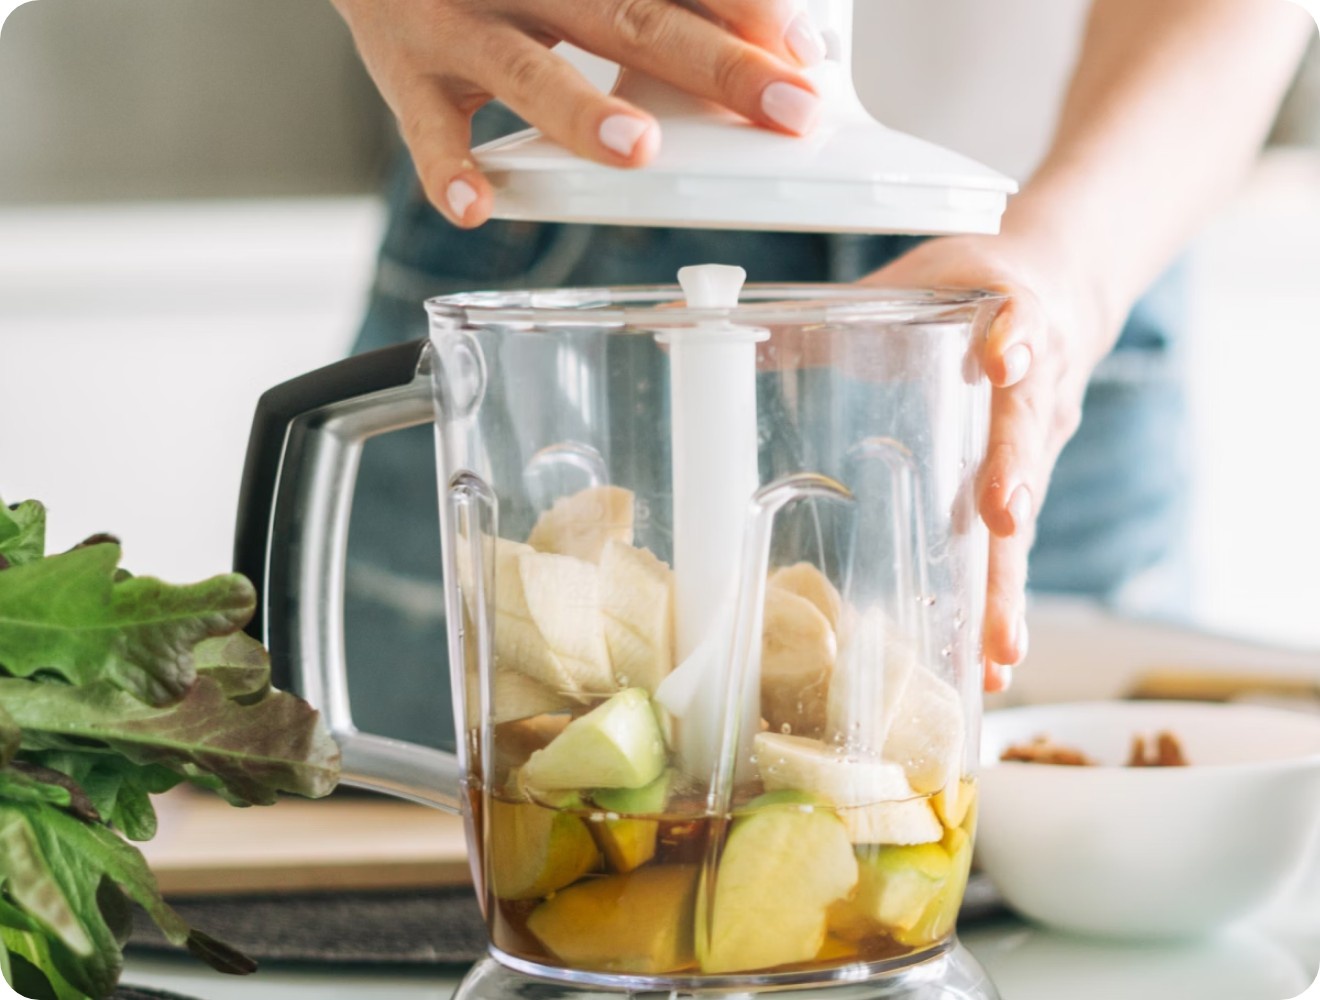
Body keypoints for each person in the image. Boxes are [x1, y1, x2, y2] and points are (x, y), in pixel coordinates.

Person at [327, 0, 1313, 747]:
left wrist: (1077, 269)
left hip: (1059, 236)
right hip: (555, 191)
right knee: (430, 828)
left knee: (1054, 839)